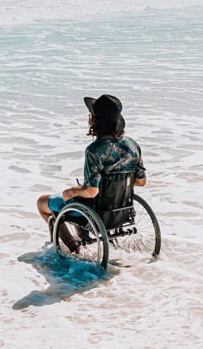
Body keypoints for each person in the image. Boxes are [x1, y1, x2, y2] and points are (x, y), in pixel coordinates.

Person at [36, 94, 147, 248]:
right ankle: (80, 236)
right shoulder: (133, 145)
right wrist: (116, 184)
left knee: (43, 202)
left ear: (95, 120)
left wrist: (71, 191)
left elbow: (91, 191)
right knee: (78, 198)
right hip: (121, 210)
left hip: (96, 212)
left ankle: (73, 249)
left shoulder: (95, 150)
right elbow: (141, 181)